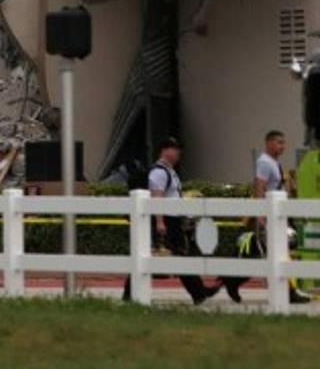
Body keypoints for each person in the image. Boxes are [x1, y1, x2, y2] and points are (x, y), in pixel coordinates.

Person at [123, 138, 221, 305]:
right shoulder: (160, 173)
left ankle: (199, 292)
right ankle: (199, 292)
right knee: (163, 257)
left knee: (175, 257)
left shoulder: (170, 171)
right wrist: (160, 222)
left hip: (172, 220)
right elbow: (157, 198)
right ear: (164, 151)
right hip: (165, 220)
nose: (178, 153)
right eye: (175, 149)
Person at [223, 130, 311, 304]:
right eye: (279, 142)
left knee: (267, 252)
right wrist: (261, 213)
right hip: (269, 215)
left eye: (284, 143)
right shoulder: (264, 162)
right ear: (269, 143)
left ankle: (232, 281)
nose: (282, 146)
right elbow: (259, 187)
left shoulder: (273, 162)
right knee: (275, 251)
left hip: (277, 215)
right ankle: (289, 292)